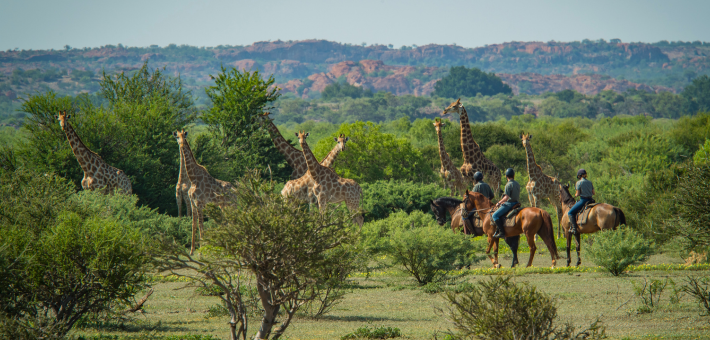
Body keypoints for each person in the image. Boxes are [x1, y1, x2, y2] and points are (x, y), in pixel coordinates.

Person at [491, 168, 520, 239]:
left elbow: (506, 197)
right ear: (514, 175)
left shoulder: (508, 184)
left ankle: (502, 232)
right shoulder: (517, 184)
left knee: (494, 215)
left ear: (506, 176)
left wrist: (499, 202)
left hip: (509, 204)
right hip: (516, 203)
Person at [568, 169, 595, 235]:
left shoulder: (578, 183)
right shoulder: (590, 182)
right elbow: (593, 193)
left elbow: (577, 194)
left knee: (570, 213)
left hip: (583, 200)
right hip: (591, 200)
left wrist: (575, 195)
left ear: (579, 176)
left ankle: (574, 229)